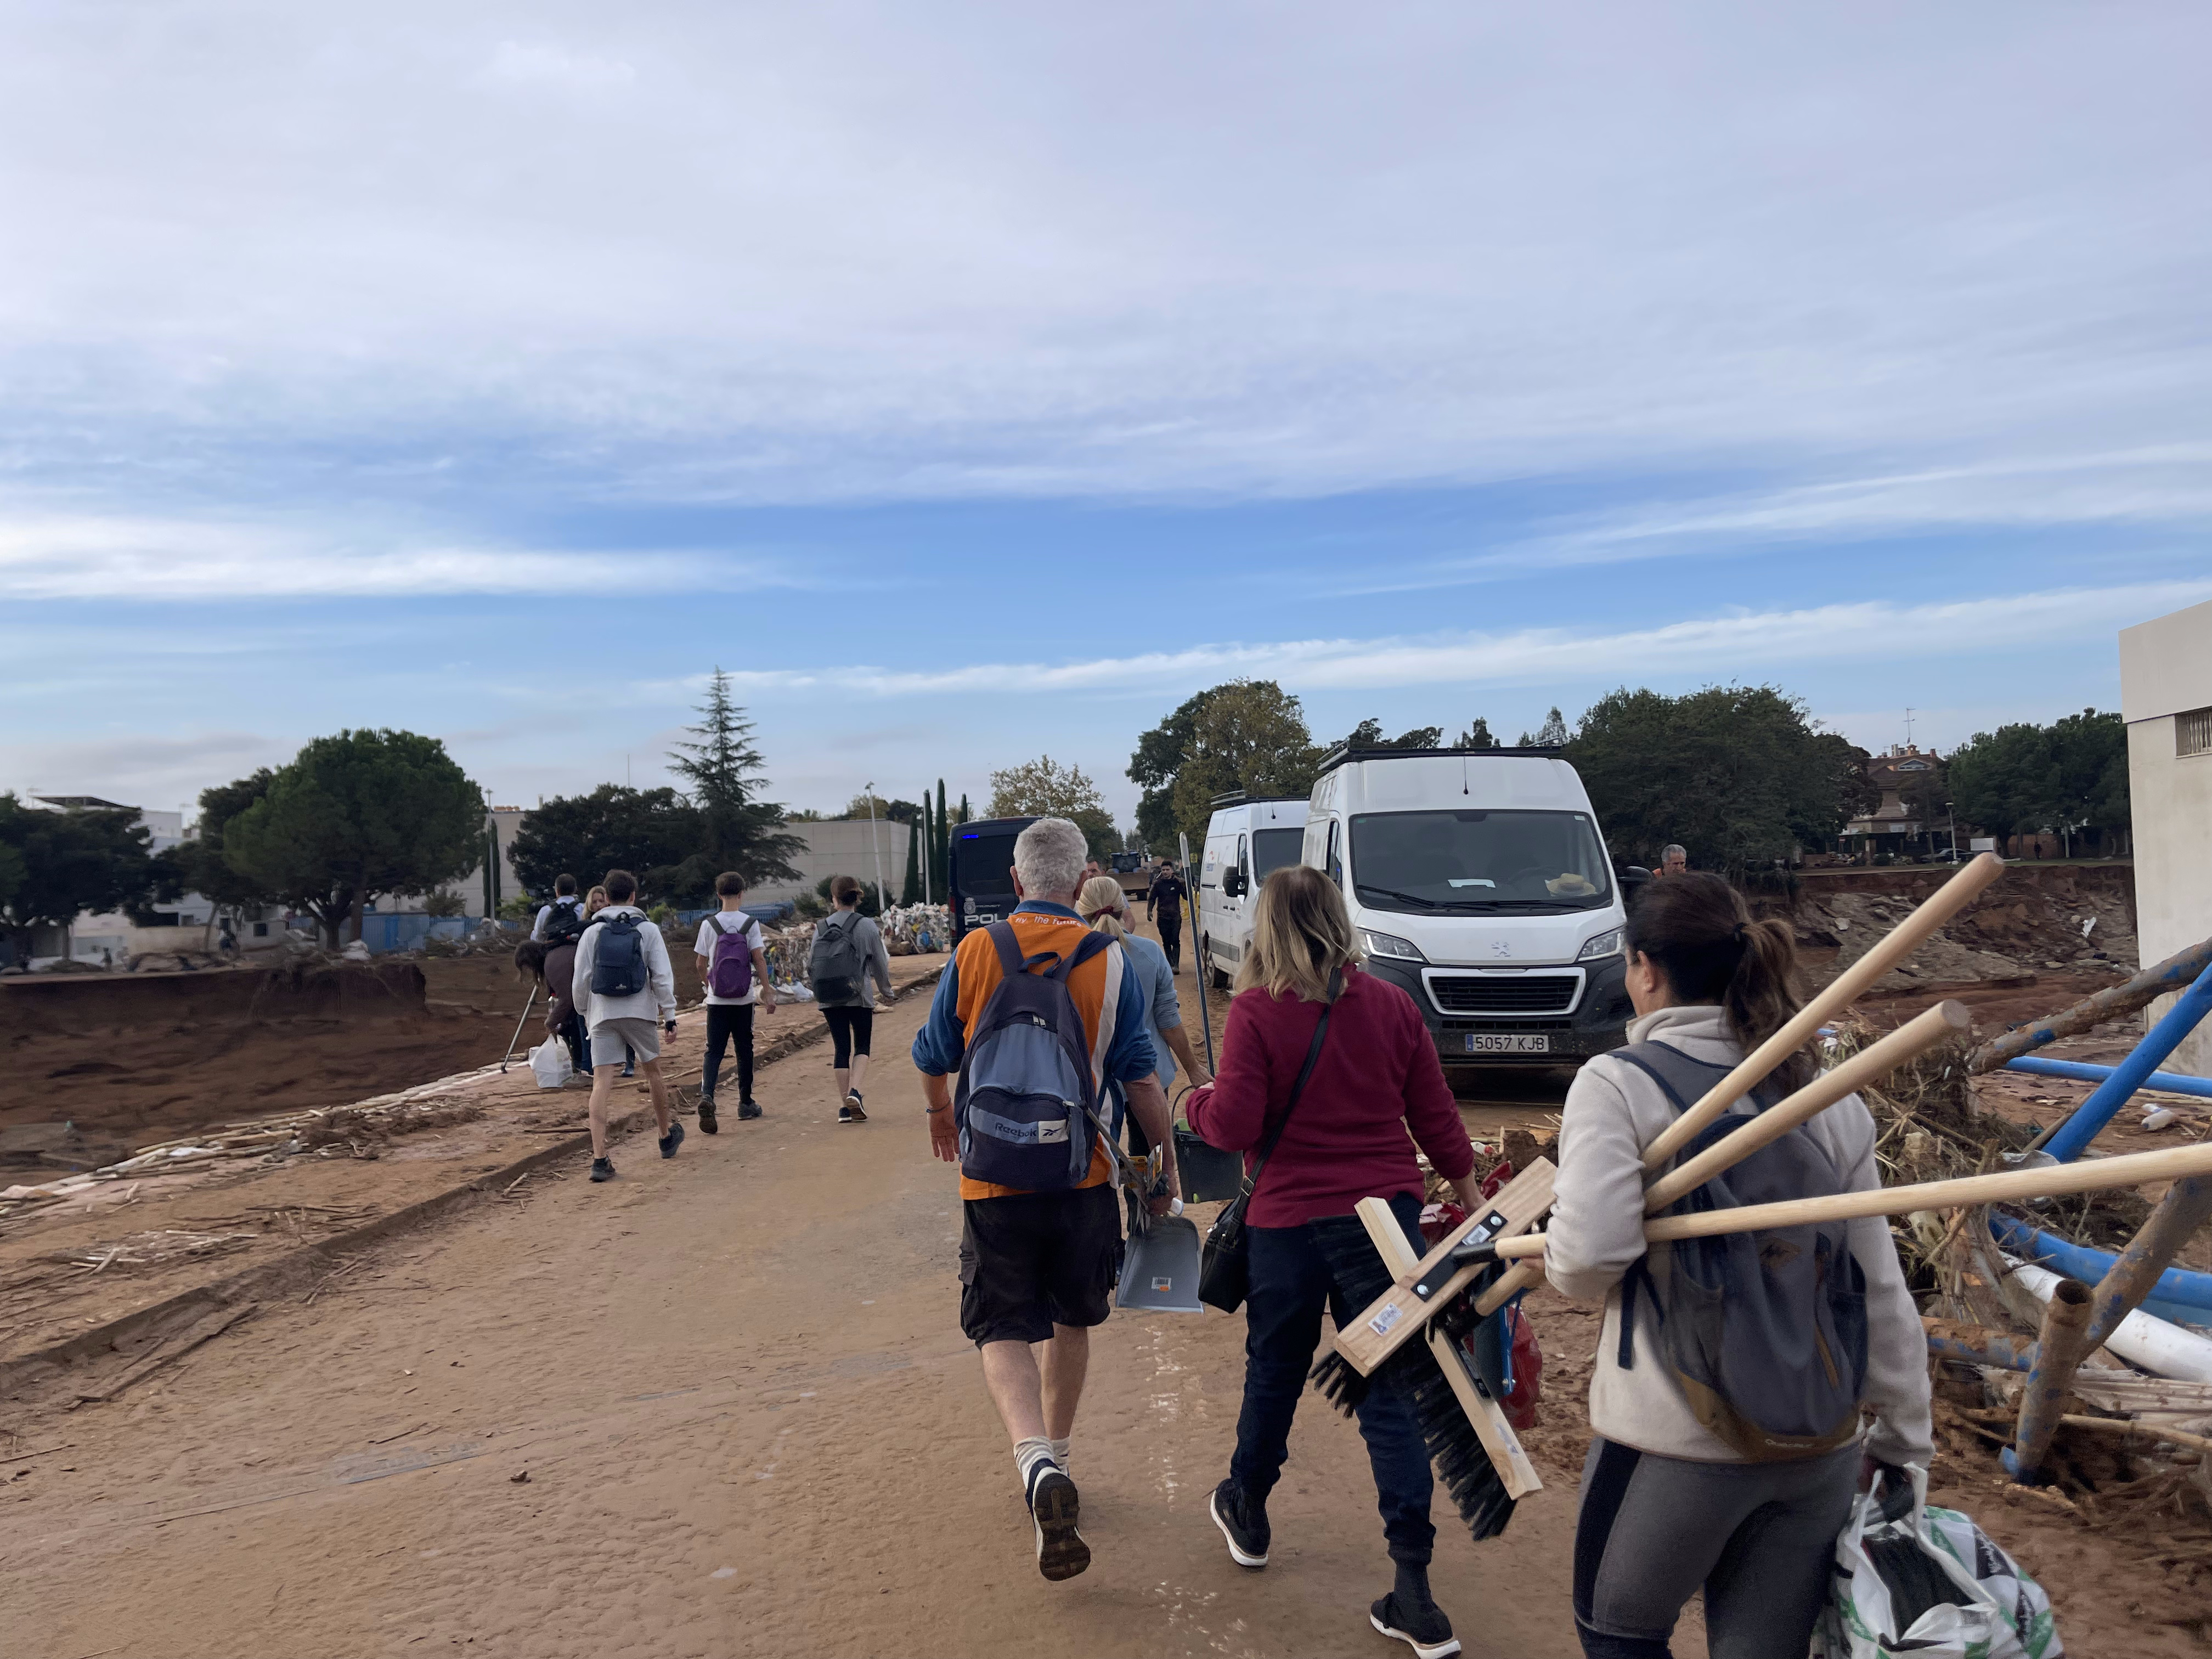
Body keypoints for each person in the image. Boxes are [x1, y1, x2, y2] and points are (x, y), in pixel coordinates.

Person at [1544, 872, 1931, 1659]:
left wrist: (1556, 1249)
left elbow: (1587, 1260)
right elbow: (1877, 1285)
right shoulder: (1822, 1092)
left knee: (1617, 1633)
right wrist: (1903, 1444)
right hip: (1820, 1450)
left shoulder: (1619, 1085)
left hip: (1674, 1447)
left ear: (1645, 968)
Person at [1186, 864, 1480, 1659]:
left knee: (1275, 1372)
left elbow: (1233, 1122)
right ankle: (1414, 1588)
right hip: (1385, 1224)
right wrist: (1470, 1191)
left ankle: (1247, 1507)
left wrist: (1194, 1102)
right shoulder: (1391, 1005)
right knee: (1392, 1392)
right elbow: (1435, 1112)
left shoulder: (1254, 1012)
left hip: (1288, 1227)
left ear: (1269, 929)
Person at [911, 817, 1175, 1584]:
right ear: (1084, 875)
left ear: (1019, 883)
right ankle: (1057, 1456)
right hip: (1084, 1174)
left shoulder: (976, 950)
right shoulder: (1113, 959)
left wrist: (938, 1112)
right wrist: (1162, 1175)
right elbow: (1142, 1079)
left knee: (999, 1325)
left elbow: (933, 1056)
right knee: (1069, 1319)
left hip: (991, 1177)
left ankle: (1032, 1465)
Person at [1075, 876, 1210, 1154]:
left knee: (1095, 1159)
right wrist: (1193, 1069)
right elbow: (1168, 1021)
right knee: (1152, 1162)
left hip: (1091, 1080)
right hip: (1150, 1074)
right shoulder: (1149, 954)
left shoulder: (1071, 958)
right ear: (1123, 908)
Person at [571, 868, 681, 1183]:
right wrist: (670, 1015)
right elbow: (661, 976)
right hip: (639, 1011)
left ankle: (599, 1159)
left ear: (605, 897)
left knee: (601, 1084)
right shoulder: (648, 929)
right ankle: (664, 1137)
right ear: (634, 896)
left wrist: (585, 1012)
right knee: (653, 1072)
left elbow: (580, 979)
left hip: (602, 1013)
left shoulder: (592, 932)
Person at [692, 872, 776, 1132]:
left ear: (718, 895)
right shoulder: (750, 924)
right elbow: (759, 959)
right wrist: (767, 988)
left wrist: (709, 984)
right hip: (743, 999)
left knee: (714, 1051)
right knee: (744, 1049)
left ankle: (707, 1096)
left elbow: (699, 963)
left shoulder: (709, 925)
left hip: (717, 1001)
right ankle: (745, 1103)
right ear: (742, 894)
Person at [814, 875, 893, 1124]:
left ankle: (844, 1108)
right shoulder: (867, 925)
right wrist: (887, 992)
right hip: (859, 995)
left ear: (834, 899)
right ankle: (855, 1093)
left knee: (841, 1048)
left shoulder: (821, 928)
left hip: (829, 997)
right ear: (857, 898)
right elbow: (880, 963)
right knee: (862, 1046)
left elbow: (810, 966)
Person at [513, 936, 588, 1076]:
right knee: (569, 1025)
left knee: (577, 1024)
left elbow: (567, 999)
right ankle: (581, 1065)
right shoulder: (555, 956)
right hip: (585, 997)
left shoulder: (553, 962)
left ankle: (585, 1066)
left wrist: (551, 1021)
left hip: (586, 1001)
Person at [1147, 855, 1188, 972]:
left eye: (1167, 870)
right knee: (1166, 941)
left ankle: (1176, 965)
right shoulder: (1158, 884)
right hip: (1162, 917)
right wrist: (1149, 911)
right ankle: (1170, 965)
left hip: (1175, 917)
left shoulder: (1178, 883)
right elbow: (1152, 899)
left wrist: (1185, 886)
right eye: (1163, 870)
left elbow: (1186, 897)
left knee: (1175, 940)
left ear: (1172, 871)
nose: (1165, 872)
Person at [532, 873, 587, 941]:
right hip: (577, 949)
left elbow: (537, 937)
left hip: (551, 949)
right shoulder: (583, 908)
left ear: (557, 890)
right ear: (575, 890)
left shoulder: (545, 910)